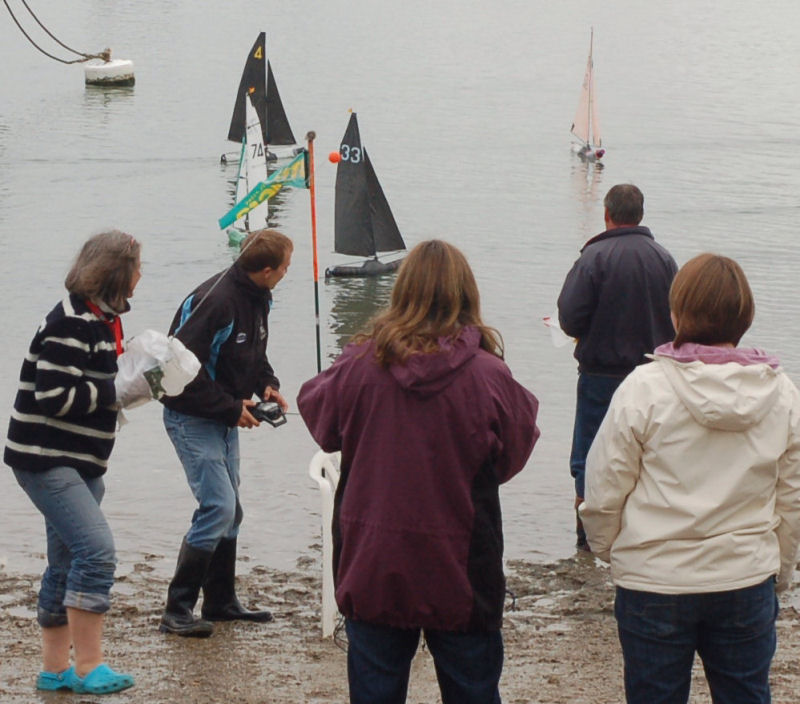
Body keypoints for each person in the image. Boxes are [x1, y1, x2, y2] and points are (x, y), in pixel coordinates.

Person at [297, 240, 540, 704]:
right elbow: (513, 455)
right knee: (473, 691)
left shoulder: (359, 365)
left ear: (401, 292)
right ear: (467, 296)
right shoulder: (488, 375)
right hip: (461, 563)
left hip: (375, 558)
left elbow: (319, 418)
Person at [580, 253, 800, 703]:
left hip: (655, 579)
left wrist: (609, 549)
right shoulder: (780, 392)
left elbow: (604, 487)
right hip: (744, 575)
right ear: (745, 316)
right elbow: (792, 497)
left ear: (675, 314)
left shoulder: (644, 388)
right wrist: (780, 565)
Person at [4, 231, 140, 695]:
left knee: (64, 562)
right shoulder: (71, 322)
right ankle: (89, 667)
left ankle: (55, 669)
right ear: (118, 275)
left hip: (80, 460)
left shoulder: (101, 322)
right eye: (137, 268)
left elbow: (95, 384)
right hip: (46, 457)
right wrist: (117, 390)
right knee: (96, 552)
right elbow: (54, 394)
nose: (141, 276)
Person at [159, 228, 292, 638]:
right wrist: (233, 408)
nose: (289, 271)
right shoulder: (214, 302)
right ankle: (176, 609)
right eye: (287, 266)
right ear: (267, 270)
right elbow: (174, 374)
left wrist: (266, 384)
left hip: (223, 415)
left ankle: (220, 601)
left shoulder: (257, 295)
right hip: (190, 416)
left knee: (231, 510)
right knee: (217, 507)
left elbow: (253, 349)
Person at [557, 183, 677, 549]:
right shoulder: (665, 259)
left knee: (591, 457)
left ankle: (586, 540)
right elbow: (678, 319)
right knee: (646, 454)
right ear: (640, 214)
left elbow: (570, 319)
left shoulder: (593, 258)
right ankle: (641, 532)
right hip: (653, 376)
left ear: (607, 214)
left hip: (601, 375)